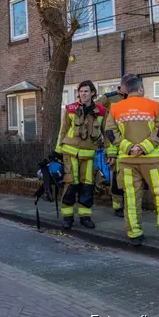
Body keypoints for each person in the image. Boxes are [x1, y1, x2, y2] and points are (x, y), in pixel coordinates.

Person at [104, 76, 159, 247]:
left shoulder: (115, 108)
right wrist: (144, 147)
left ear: (125, 90)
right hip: (152, 160)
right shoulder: (153, 106)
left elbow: (110, 133)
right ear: (140, 89)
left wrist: (128, 147)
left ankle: (134, 234)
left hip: (127, 161)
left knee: (132, 197)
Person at [55, 80, 106, 230]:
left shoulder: (101, 111)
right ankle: (67, 217)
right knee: (70, 184)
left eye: (86, 91)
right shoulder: (70, 109)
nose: (83, 94)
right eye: (81, 91)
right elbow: (63, 131)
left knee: (87, 186)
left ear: (92, 93)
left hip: (89, 155)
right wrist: (58, 151)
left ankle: (85, 217)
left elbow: (106, 134)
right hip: (70, 154)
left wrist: (111, 153)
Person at [96, 73, 138, 218]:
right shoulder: (108, 98)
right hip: (113, 143)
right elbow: (94, 111)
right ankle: (117, 206)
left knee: (131, 177)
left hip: (131, 143)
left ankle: (129, 205)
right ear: (124, 86)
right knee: (117, 177)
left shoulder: (133, 99)